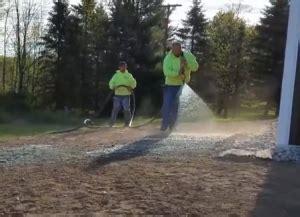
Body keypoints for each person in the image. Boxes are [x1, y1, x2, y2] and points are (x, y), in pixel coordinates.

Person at [161, 42, 199, 131]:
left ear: (181, 48)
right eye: (175, 50)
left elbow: (196, 67)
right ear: (172, 50)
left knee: (176, 106)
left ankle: (172, 126)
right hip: (170, 85)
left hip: (182, 85)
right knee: (167, 105)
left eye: (179, 50)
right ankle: (164, 125)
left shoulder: (188, 56)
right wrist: (177, 74)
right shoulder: (168, 58)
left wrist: (187, 64)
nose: (177, 52)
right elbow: (166, 72)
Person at [109, 61, 137, 127]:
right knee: (115, 109)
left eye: (124, 66)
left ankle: (127, 124)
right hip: (117, 95)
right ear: (119, 67)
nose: (123, 68)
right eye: (122, 66)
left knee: (126, 109)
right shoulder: (116, 75)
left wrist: (131, 87)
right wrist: (113, 87)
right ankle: (112, 123)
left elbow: (133, 82)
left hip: (126, 95)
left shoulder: (129, 75)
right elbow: (111, 83)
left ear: (126, 67)